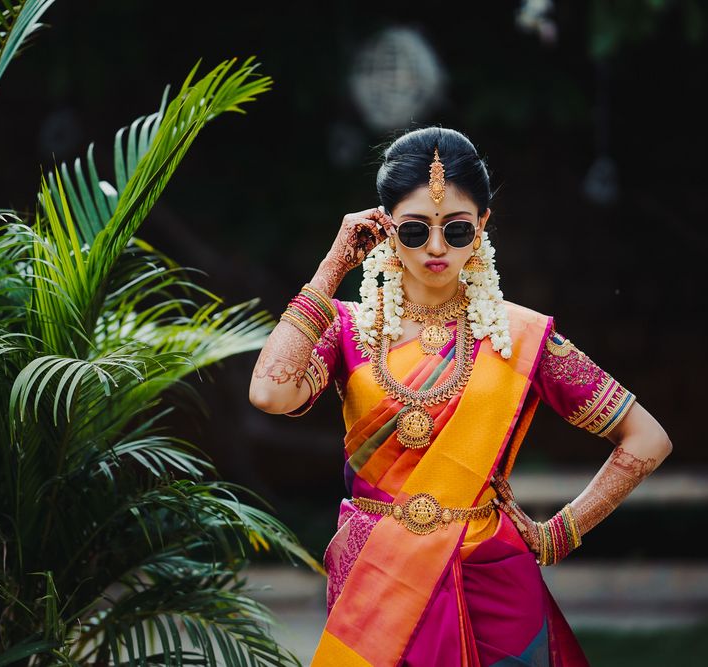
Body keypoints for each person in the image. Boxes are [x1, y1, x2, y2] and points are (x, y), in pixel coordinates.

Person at [247, 126, 673, 667]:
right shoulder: (348, 329)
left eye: (456, 228)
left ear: (483, 225)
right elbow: (269, 392)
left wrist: (559, 534)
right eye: (414, 230)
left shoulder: (517, 337)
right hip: (375, 586)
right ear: (382, 227)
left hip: (490, 584)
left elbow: (648, 438)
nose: (435, 248)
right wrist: (332, 267)